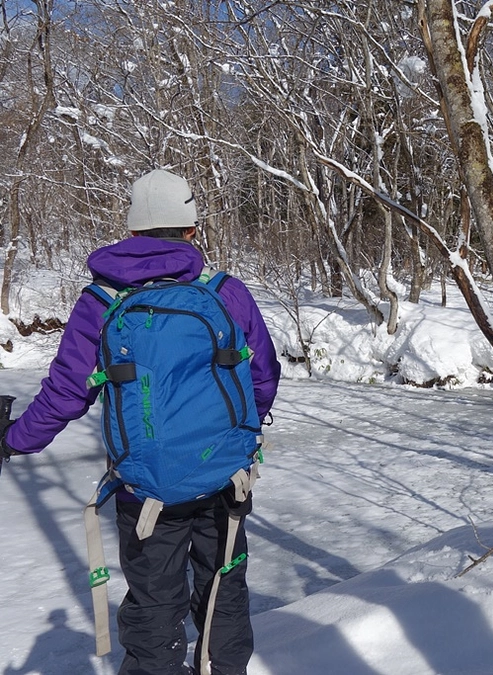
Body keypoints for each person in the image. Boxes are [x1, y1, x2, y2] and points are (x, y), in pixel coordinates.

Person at [0, 169, 282, 675]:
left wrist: (14, 440)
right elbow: (262, 374)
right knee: (223, 589)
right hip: (226, 480)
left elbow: (67, 393)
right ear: (191, 229)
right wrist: (239, 433)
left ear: (131, 230)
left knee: (154, 603)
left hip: (145, 491)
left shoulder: (100, 302)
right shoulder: (225, 291)